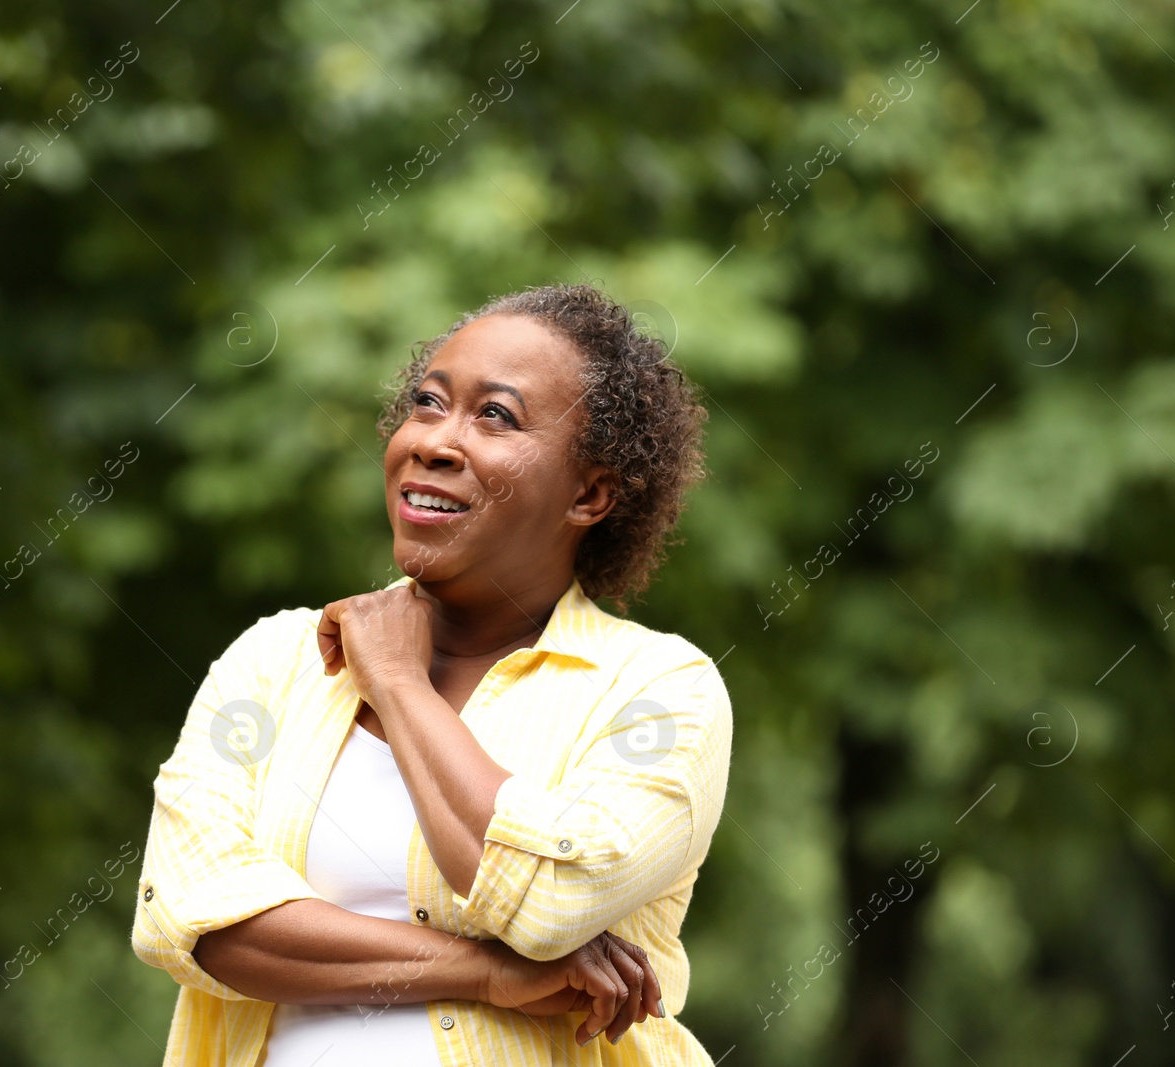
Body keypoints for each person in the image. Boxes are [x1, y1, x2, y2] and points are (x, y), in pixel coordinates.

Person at [130, 282, 734, 1065]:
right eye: (427, 402)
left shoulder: (657, 688)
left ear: (590, 492)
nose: (435, 441)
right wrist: (486, 971)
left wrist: (399, 684)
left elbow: (546, 900)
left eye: (496, 415)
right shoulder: (278, 659)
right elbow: (190, 913)